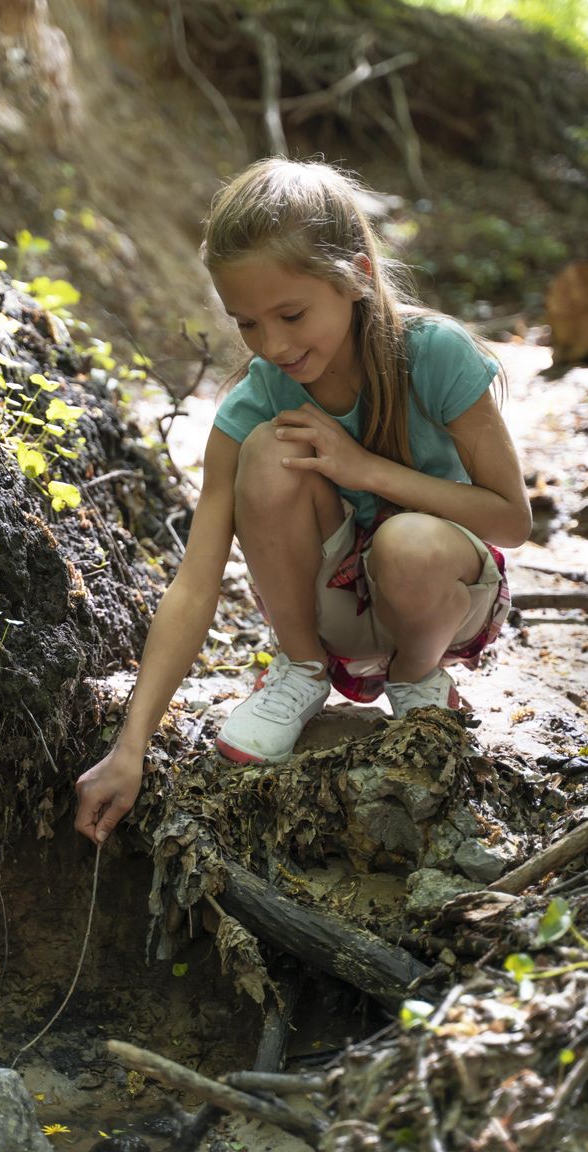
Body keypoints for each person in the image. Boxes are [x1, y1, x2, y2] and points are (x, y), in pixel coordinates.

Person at [74, 157, 531, 845]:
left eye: (291, 314)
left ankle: (416, 681)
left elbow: (512, 518)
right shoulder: (259, 398)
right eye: (248, 324)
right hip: (333, 614)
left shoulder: (435, 355)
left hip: (445, 599)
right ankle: (300, 671)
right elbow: (196, 582)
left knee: (409, 543)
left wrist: (365, 468)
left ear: (357, 277)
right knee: (269, 450)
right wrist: (130, 746)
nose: (274, 345)